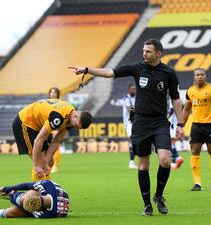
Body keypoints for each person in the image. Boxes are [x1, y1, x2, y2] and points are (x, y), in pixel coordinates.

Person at [69, 39, 185, 216]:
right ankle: (147, 205)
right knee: (144, 164)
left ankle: (159, 196)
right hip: (140, 123)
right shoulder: (137, 68)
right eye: (143, 50)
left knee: (165, 160)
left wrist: (181, 124)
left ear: (158, 53)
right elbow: (109, 73)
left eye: (148, 51)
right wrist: (86, 70)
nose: (144, 53)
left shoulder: (168, 73)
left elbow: (176, 99)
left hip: (160, 122)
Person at [13, 99, 92, 181]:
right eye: (75, 125)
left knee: (50, 162)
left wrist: (46, 163)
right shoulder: (59, 117)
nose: (74, 127)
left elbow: (56, 142)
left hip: (37, 127)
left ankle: (46, 189)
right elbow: (38, 140)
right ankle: (38, 192)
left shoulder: (71, 117)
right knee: (40, 163)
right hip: (25, 123)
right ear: (75, 116)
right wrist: (36, 165)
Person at [182, 68, 211, 191]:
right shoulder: (190, 91)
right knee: (194, 152)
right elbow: (186, 109)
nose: (200, 77)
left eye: (202, 74)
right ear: (194, 77)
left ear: (205, 76)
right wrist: (181, 126)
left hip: (210, 126)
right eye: (197, 75)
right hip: (196, 126)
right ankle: (197, 183)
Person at [0, 179, 69, 218]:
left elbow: (28, 211)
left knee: (14, 211)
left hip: (39, 205)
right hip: (44, 195)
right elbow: (27, 185)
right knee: (30, 194)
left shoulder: (46, 214)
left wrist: (14, 199)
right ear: (38, 196)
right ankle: (14, 194)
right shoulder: (48, 185)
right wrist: (9, 188)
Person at [122, 84, 137, 169]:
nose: (134, 90)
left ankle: (132, 161)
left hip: (136, 122)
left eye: (135, 89)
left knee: (135, 141)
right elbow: (129, 109)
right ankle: (131, 162)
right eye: (132, 89)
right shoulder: (126, 98)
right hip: (129, 122)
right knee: (132, 140)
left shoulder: (137, 98)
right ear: (129, 90)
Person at [167, 100, 184, 170]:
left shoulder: (172, 100)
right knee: (172, 144)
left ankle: (177, 157)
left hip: (171, 124)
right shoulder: (178, 100)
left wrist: (165, 118)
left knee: (169, 143)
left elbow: (171, 111)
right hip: (174, 123)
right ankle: (173, 163)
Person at [48, 87, 62, 173]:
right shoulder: (47, 103)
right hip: (47, 127)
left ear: (57, 94)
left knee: (55, 146)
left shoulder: (59, 104)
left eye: (54, 93)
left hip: (56, 127)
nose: (53, 94)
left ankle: (55, 165)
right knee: (48, 147)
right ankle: (49, 165)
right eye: (51, 92)